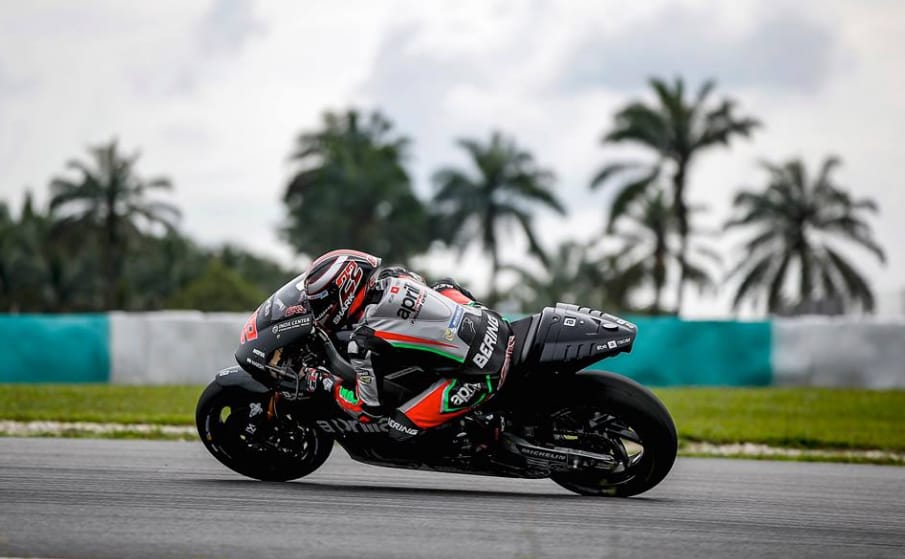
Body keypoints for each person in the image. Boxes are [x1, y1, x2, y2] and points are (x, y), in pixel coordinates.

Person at [302, 249, 514, 442]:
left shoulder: (363, 341)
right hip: (495, 323)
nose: (318, 309)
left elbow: (368, 410)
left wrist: (330, 385)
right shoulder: (396, 276)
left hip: (482, 373)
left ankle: (485, 427)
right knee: (443, 286)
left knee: (397, 428)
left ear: (345, 291)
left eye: (320, 302)